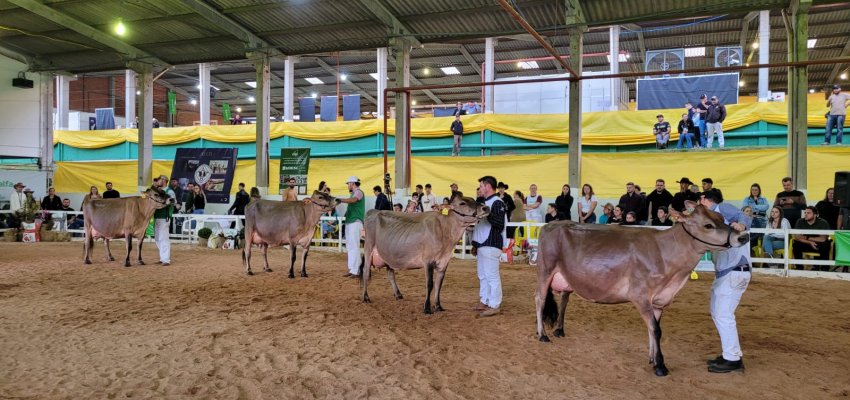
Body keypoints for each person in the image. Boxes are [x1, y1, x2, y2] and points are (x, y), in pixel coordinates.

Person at [700, 188, 751, 373]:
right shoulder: (713, 220)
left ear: (706, 199)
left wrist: (742, 226)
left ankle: (733, 360)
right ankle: (730, 353)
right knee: (717, 311)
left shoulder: (722, 209)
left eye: (701, 199)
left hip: (735, 271)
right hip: (728, 272)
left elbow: (743, 215)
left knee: (723, 314)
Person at [472, 175, 506, 317]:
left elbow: (499, 224)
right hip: (482, 244)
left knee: (491, 275)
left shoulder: (497, 202)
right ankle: (484, 300)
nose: (480, 189)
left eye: (481, 186)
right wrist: (475, 243)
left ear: (487, 186)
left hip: (492, 243)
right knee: (482, 274)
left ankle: (494, 304)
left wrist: (488, 213)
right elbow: (479, 226)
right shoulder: (485, 203)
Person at [338, 176, 365, 278]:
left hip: (355, 222)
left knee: (354, 246)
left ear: (353, 184)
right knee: (350, 246)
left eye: (348, 184)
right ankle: (352, 269)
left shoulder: (358, 192)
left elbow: (354, 200)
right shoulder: (353, 193)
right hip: (351, 222)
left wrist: (340, 200)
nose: (348, 186)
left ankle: (356, 270)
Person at [792, 206, 832, 271]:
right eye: (805, 213)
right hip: (806, 243)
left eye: (808, 213)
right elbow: (797, 237)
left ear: (815, 214)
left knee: (826, 245)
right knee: (796, 245)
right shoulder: (800, 221)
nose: (806, 215)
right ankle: (799, 267)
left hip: (819, 244)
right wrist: (810, 242)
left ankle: (824, 268)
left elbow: (823, 239)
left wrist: (807, 237)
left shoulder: (822, 222)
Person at [153, 175, 175, 266]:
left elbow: (172, 201)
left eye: (160, 180)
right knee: (157, 238)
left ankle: (166, 260)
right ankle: (162, 258)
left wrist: (162, 204)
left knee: (164, 238)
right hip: (156, 216)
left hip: (164, 217)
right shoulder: (158, 191)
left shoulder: (170, 191)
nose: (158, 181)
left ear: (164, 180)